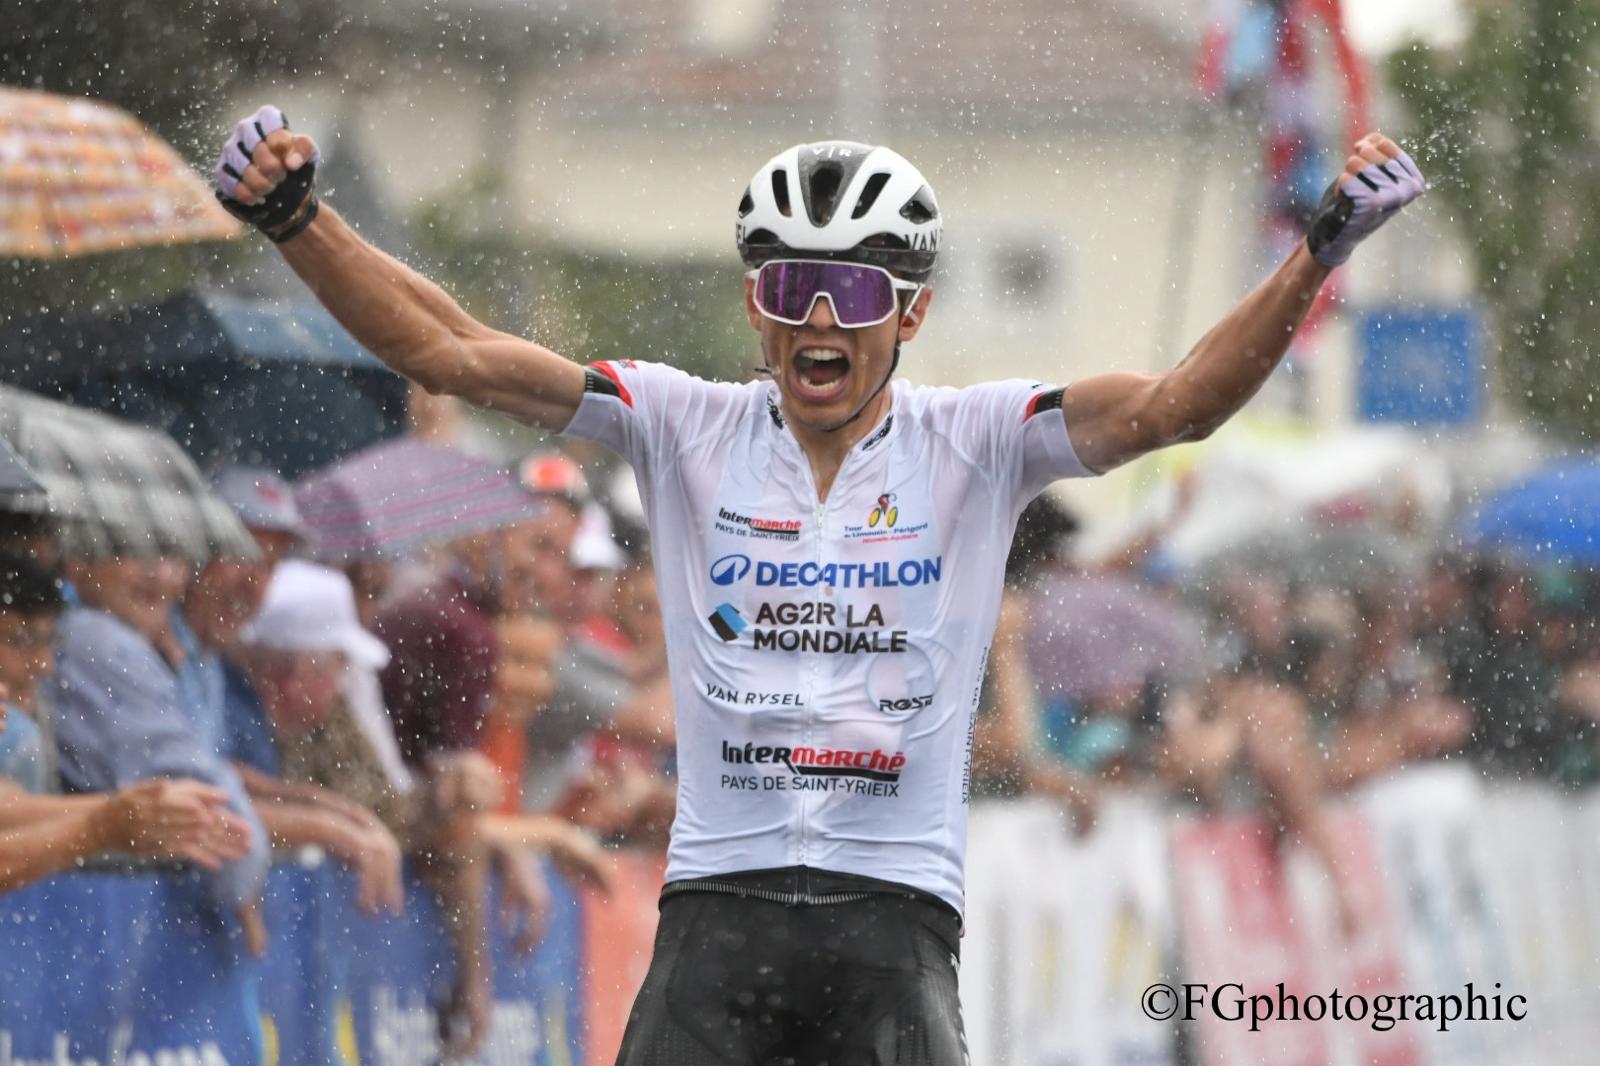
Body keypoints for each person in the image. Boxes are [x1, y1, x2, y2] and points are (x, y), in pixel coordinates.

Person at [214, 105, 1423, 1063]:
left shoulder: (982, 437)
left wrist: (1313, 255)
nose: (817, 325)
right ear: (756, 302)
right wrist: (297, 218)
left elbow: (1177, 404)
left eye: (850, 294)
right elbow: (449, 350)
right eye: (792, 290)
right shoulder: (678, 420)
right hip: (715, 907)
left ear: (912, 313)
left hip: (891, 918)